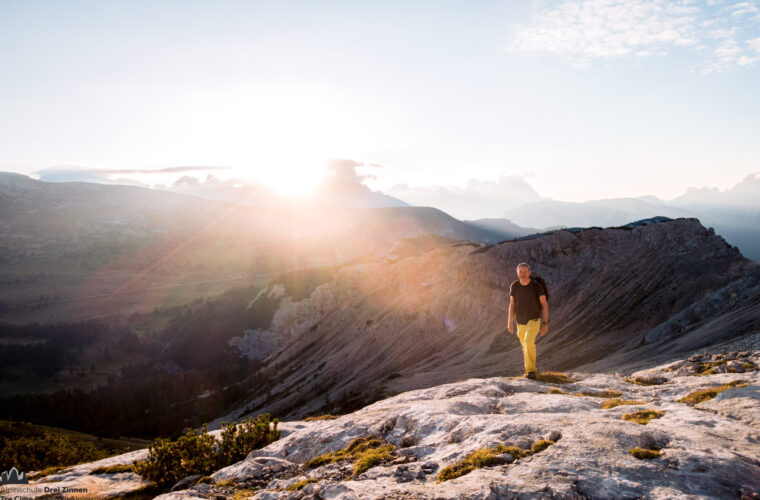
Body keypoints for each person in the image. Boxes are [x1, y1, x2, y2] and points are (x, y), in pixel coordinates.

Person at [507, 263, 549, 379]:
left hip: (534, 320)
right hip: (520, 322)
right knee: (525, 346)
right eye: (521, 272)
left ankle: (531, 371)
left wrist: (544, 323)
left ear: (529, 273)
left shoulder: (536, 286)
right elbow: (512, 304)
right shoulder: (514, 286)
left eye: (525, 271)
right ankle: (529, 370)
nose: (523, 274)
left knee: (528, 342)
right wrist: (510, 322)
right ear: (517, 273)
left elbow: (544, 305)